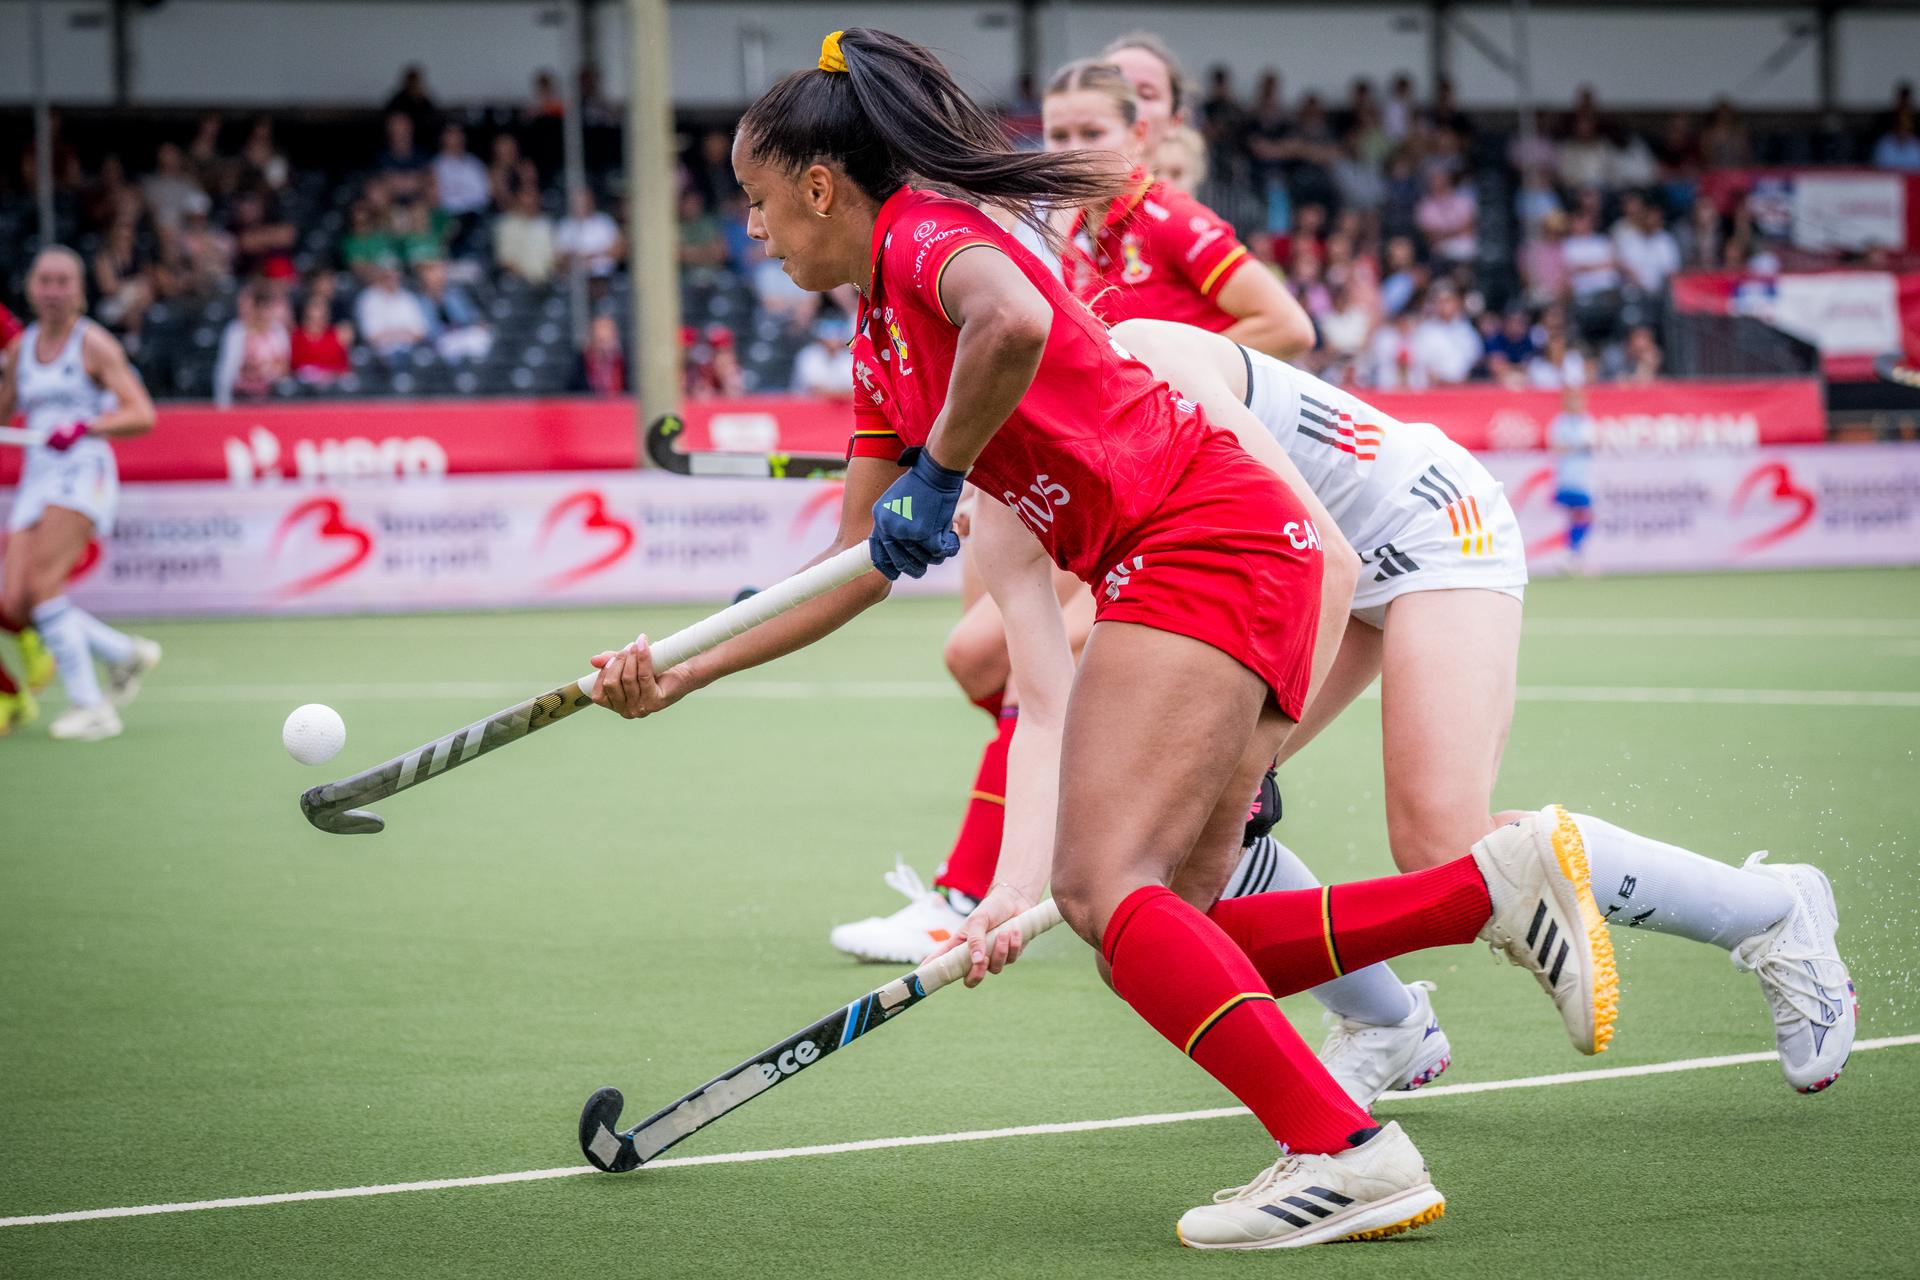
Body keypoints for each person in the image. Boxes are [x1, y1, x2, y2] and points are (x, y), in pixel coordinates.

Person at [586, 29, 1626, 1248]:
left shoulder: (924, 234)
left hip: (1208, 540)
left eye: (757, 202)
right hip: (1214, 552)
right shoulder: (876, 334)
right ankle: (1481, 893)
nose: (752, 230)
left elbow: (1014, 321)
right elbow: (851, 568)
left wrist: (946, 465)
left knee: (1102, 887)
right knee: (1185, 919)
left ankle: (1350, 1149)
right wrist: (684, 669)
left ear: (823, 185)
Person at [1042, 61, 1313, 360]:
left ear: (1137, 135)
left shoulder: (1171, 218)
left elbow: (1289, 328)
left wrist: (1168, 373)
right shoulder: (1070, 234)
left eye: (1092, 133)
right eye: (1059, 136)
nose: (1073, 152)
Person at [0, 248, 161, 741]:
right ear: (30, 288)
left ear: (79, 290)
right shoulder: (20, 349)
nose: (52, 291)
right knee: (13, 604)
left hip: (82, 472)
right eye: (44, 281)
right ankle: (123, 654)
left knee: (46, 588)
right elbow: (4, 411)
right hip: (38, 476)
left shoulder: (94, 345)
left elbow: (142, 414)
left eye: (62, 282)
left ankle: (91, 706)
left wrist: (87, 426)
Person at [213, 282, 292, 406]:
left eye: (271, 309)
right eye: (265, 308)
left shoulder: (278, 331)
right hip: (244, 394)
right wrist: (223, 402)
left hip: (272, 393)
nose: (268, 314)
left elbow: (284, 367)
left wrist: (269, 371)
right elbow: (227, 370)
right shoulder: (237, 331)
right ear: (256, 308)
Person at [1548, 382, 1597, 569]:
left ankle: (1572, 555)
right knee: (1584, 515)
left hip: (1582, 478)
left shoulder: (1586, 421)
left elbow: (1591, 444)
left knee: (1577, 518)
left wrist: (1574, 446)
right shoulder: (1560, 423)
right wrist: (1577, 446)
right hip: (1567, 479)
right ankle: (1571, 553)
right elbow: (1558, 447)